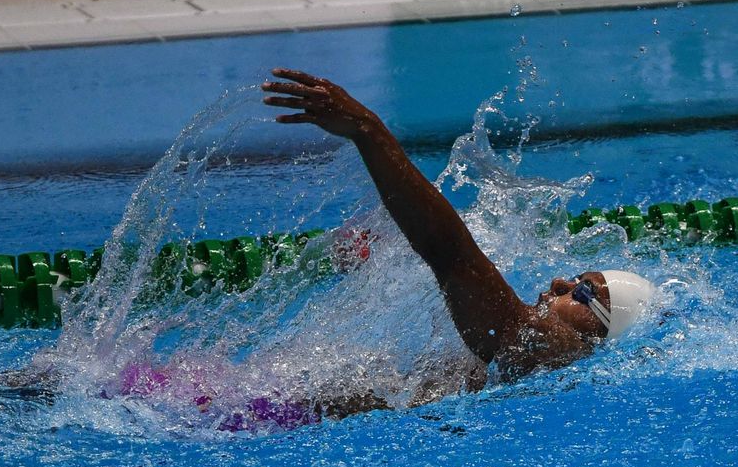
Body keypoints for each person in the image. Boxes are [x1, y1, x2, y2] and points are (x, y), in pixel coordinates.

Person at [261, 68, 655, 383]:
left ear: (603, 332)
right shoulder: (542, 362)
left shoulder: (553, 350)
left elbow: (453, 258)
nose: (559, 284)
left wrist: (368, 131)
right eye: (576, 279)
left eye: (584, 292)